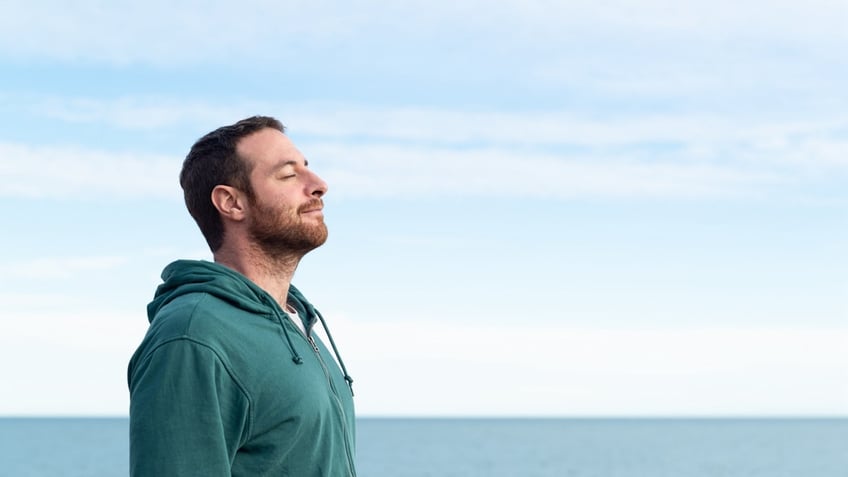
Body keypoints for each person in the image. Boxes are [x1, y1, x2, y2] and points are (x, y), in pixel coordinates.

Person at [128, 115, 356, 476]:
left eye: (307, 169)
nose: (319, 185)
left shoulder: (297, 323)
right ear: (232, 203)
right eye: (288, 175)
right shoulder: (192, 337)